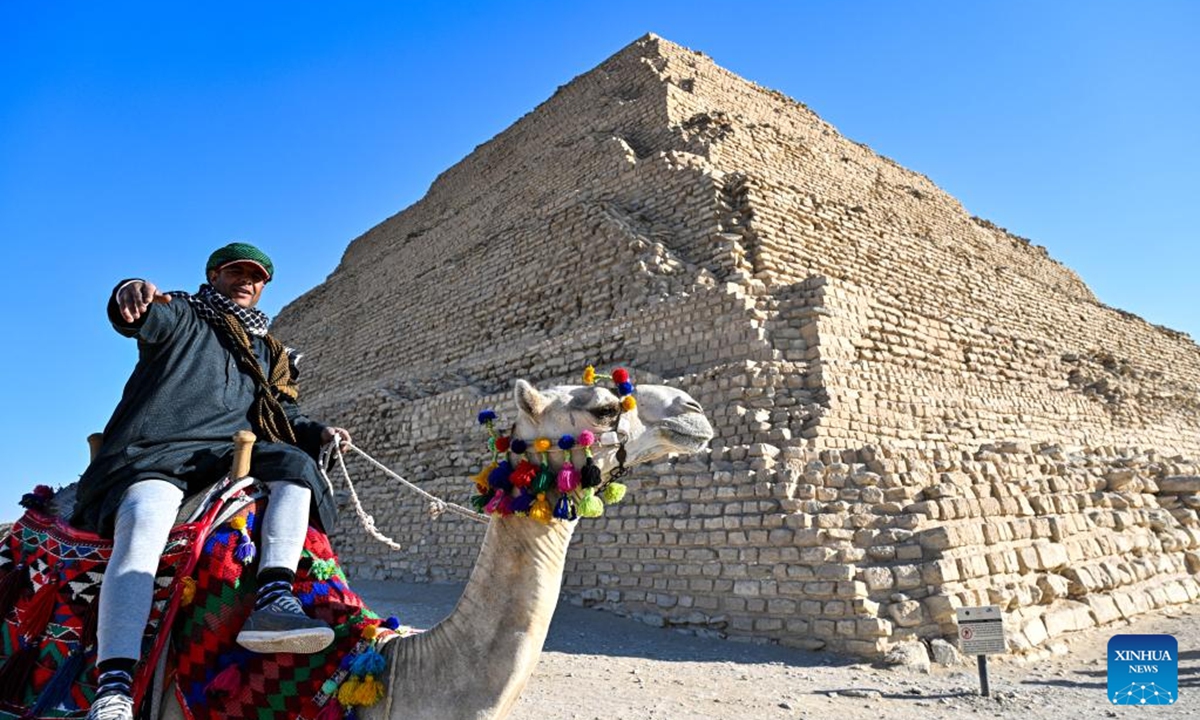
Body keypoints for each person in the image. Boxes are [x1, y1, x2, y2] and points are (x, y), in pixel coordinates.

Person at [72, 243, 351, 720]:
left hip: (222, 455)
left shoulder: (268, 351)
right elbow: (139, 316)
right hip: (157, 451)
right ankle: (114, 685)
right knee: (143, 525)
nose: (246, 281)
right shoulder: (183, 313)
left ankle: (274, 597)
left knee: (295, 465)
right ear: (214, 275)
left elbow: (284, 413)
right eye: (236, 272)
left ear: (264, 287)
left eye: (256, 277)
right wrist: (129, 293)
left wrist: (319, 432)